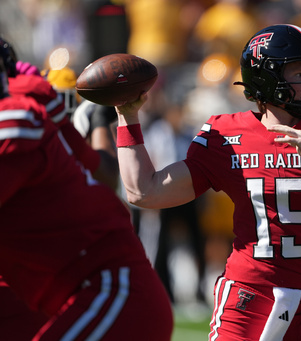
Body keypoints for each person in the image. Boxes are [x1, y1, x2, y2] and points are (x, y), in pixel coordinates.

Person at [115, 24, 301, 340]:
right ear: (266, 78)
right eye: (300, 75)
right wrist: (128, 118)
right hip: (248, 301)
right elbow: (144, 192)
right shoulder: (227, 134)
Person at [0, 54, 173, 340]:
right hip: (71, 293)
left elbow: (103, 174)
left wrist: (99, 122)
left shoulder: (16, 117)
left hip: (108, 291)